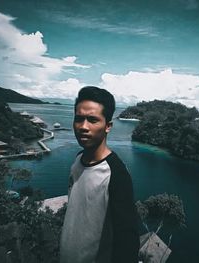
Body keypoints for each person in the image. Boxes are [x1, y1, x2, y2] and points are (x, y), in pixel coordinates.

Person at [60, 86, 140, 263]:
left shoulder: (116, 174)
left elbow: (127, 240)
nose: (83, 127)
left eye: (92, 120)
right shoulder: (77, 161)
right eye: (79, 119)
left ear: (108, 126)